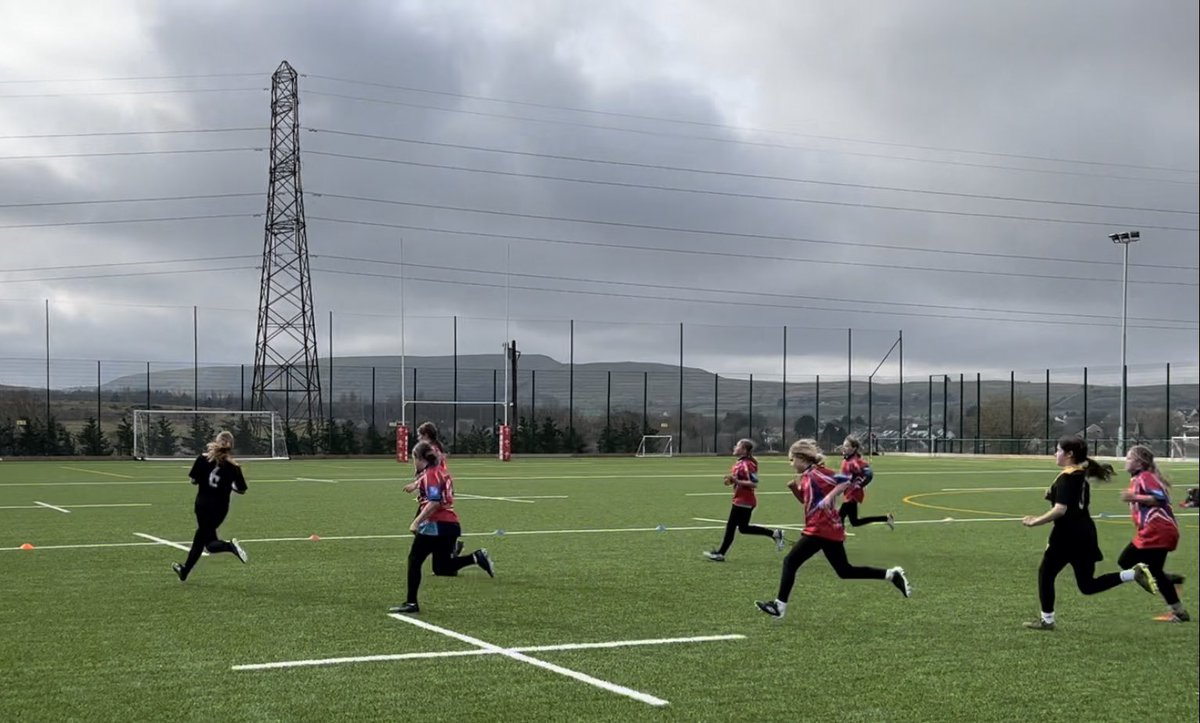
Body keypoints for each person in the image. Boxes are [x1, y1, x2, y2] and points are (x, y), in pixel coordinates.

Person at [754, 439, 911, 620]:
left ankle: (779, 606)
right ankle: (892, 575)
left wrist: (830, 496)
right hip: (827, 529)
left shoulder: (817, 473)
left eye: (791, 460)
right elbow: (807, 502)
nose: (790, 464)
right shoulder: (806, 476)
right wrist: (794, 490)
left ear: (801, 458)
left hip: (821, 528)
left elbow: (845, 481)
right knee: (845, 571)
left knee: (790, 562)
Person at [1021, 435, 1158, 631]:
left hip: (1067, 536)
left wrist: (1036, 521)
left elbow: (1061, 509)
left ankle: (1047, 621)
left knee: (1046, 574)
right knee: (1087, 585)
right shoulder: (1079, 474)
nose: (1055, 454)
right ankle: (1132, 574)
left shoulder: (1069, 477)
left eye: (1058, 450)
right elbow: (1074, 502)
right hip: (1084, 534)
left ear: (1069, 454)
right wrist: (1052, 494)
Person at [390, 441, 494, 614]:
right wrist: (414, 486)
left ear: (419, 458)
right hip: (451, 525)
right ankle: (475, 557)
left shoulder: (431, 474)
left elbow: (435, 502)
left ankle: (411, 603)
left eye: (413, 458)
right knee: (442, 567)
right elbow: (430, 485)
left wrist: (417, 521)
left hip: (435, 525)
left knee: (415, 560)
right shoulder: (439, 471)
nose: (412, 462)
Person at [1117, 445, 1190, 623]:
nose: (1125, 461)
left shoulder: (1145, 477)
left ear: (1139, 463)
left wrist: (1134, 497)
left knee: (1126, 560)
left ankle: (1170, 585)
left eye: (1128, 458)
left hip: (1157, 530)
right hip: (1155, 530)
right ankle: (1178, 610)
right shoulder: (1138, 478)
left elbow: (1160, 498)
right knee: (1152, 570)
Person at [172, 430, 248, 582]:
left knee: (205, 541)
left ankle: (229, 546)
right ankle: (184, 571)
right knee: (205, 541)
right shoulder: (234, 467)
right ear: (231, 446)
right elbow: (242, 489)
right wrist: (230, 486)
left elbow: (193, 481)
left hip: (202, 505)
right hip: (220, 508)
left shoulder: (202, 459)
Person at [704, 439, 785, 561]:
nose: (735, 447)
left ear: (744, 450)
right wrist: (730, 481)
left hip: (745, 500)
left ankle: (720, 553)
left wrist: (736, 481)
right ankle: (774, 534)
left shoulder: (748, 464)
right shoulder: (738, 463)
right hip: (740, 499)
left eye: (737, 445)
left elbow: (753, 483)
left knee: (731, 526)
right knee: (743, 528)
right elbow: (739, 480)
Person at [837, 435, 894, 530]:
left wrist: (859, 485)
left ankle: (838, 535)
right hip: (847, 493)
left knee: (839, 517)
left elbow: (869, 474)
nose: (844, 448)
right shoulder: (846, 459)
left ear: (854, 448)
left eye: (847, 446)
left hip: (853, 494)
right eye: (844, 445)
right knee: (855, 522)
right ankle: (886, 518)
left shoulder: (855, 461)